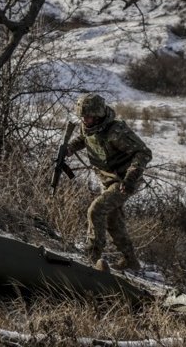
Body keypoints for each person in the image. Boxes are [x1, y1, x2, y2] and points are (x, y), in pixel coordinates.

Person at [65, 93, 151, 272]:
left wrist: (130, 178)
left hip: (124, 181)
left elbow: (143, 152)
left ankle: (92, 254)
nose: (85, 120)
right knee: (113, 219)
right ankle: (131, 260)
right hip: (107, 179)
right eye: (83, 117)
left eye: (88, 116)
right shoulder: (88, 126)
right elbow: (83, 138)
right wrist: (70, 148)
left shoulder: (116, 131)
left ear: (98, 115)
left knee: (96, 210)